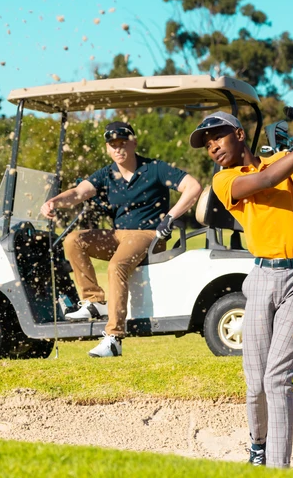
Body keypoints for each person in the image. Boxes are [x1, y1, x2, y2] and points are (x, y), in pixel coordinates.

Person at [189, 111, 293, 468]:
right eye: (207, 143)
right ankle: (258, 446)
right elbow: (268, 177)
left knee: (277, 378)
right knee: (255, 380)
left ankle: (277, 467)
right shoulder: (225, 181)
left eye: (217, 136)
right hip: (260, 277)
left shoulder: (284, 161)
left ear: (239, 135)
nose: (212, 146)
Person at [40, 121, 202, 358]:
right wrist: (54, 202)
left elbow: (193, 186)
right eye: (112, 145)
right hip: (118, 235)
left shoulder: (155, 168)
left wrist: (170, 217)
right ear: (107, 148)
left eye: (123, 143)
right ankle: (93, 300)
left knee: (117, 265)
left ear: (133, 142)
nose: (118, 148)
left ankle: (114, 337)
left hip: (147, 234)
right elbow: (77, 193)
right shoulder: (107, 174)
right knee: (74, 240)